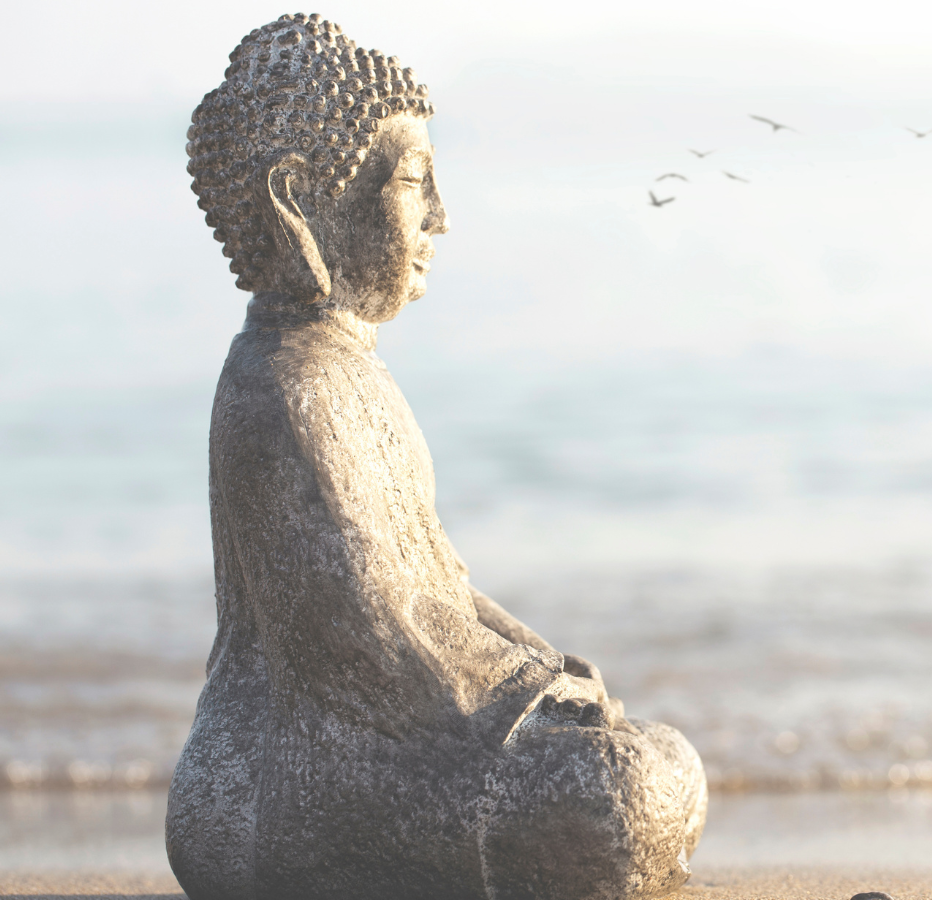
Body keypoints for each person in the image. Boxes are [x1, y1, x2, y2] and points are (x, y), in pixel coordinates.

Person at [167, 15, 706, 900]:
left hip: (383, 742)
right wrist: (533, 706)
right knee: (620, 791)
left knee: (640, 760)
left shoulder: (351, 372)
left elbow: (439, 584)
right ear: (300, 200)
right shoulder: (280, 389)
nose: (441, 218)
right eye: (416, 183)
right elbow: (366, 631)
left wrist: (549, 673)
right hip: (272, 788)